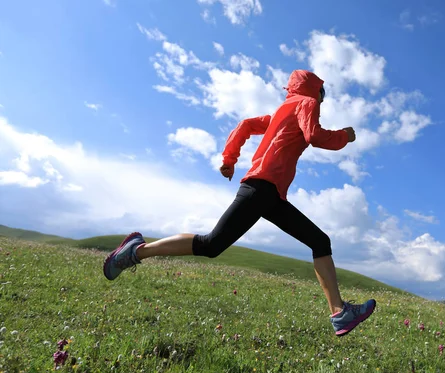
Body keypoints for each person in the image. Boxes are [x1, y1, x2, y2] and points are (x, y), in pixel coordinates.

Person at [103, 69, 376, 337]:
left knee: (319, 241)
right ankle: (136, 251)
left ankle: (339, 313)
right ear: (315, 90)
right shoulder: (307, 103)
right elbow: (313, 136)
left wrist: (229, 159)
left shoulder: (281, 113)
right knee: (211, 245)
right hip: (261, 189)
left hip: (271, 195)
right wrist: (344, 136)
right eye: (322, 93)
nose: (322, 100)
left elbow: (245, 125)